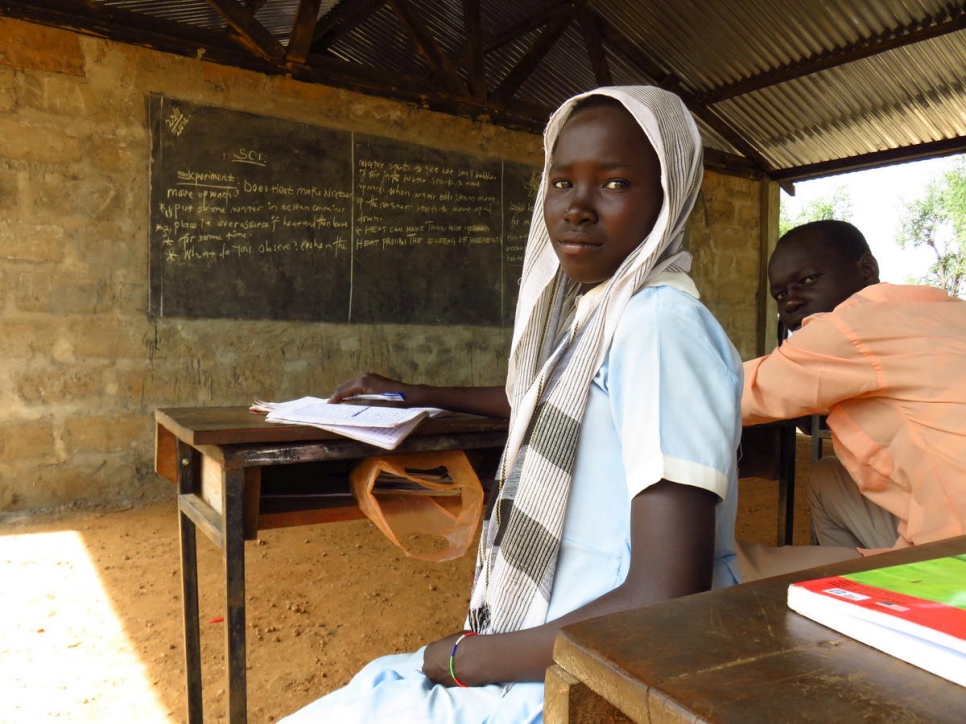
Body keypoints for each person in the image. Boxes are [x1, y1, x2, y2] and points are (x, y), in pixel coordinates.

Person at [281, 86, 743, 723]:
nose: (577, 208)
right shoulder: (604, 317)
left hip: (586, 676)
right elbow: (549, 400)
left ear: (668, 199)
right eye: (561, 182)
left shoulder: (660, 325)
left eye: (614, 183)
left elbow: (666, 597)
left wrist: (464, 661)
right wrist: (420, 394)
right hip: (548, 649)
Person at [739, 219, 966, 580]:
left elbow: (736, 394)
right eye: (780, 295)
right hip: (947, 518)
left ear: (866, 269)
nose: (792, 300)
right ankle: (862, 579)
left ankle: (864, 594)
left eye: (808, 280)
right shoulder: (943, 309)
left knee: (731, 568)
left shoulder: (852, 326)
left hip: (955, 555)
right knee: (828, 477)